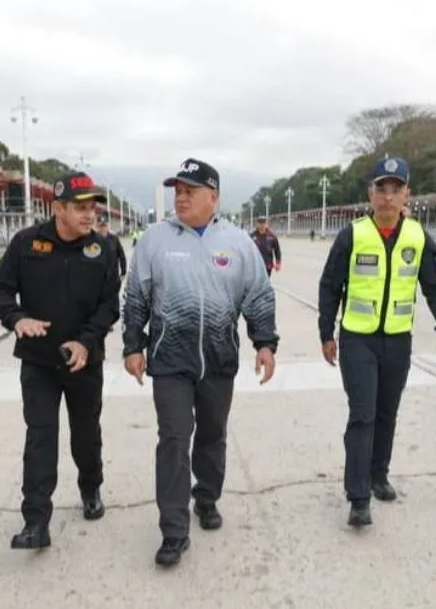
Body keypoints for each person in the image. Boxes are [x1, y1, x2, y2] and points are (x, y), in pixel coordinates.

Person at [122, 157, 278, 567]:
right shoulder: (154, 240)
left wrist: (265, 343)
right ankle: (173, 531)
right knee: (174, 438)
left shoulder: (240, 243)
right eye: (178, 190)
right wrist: (132, 346)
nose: (182, 197)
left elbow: (258, 296)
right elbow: (135, 298)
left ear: (215, 196)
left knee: (212, 434)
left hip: (219, 359)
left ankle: (206, 497)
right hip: (170, 359)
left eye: (191, 190)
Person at [317, 155, 436, 527]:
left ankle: (379, 475)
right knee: (362, 414)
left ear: (407, 193)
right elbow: (330, 285)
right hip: (357, 340)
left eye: (396, 190)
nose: (389, 197)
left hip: (397, 340)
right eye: (382, 189)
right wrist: (325, 332)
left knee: (386, 412)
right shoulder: (353, 234)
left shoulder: (417, 236)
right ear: (371, 193)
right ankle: (358, 495)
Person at [0, 173, 122, 549]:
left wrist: (86, 343)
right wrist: (16, 319)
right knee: (40, 437)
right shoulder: (27, 243)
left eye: (93, 207)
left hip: (83, 363)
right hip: (39, 362)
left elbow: (110, 305)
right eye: (80, 207)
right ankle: (36, 522)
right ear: (57, 208)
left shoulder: (103, 250)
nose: (89, 215)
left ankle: (91, 487)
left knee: (85, 435)